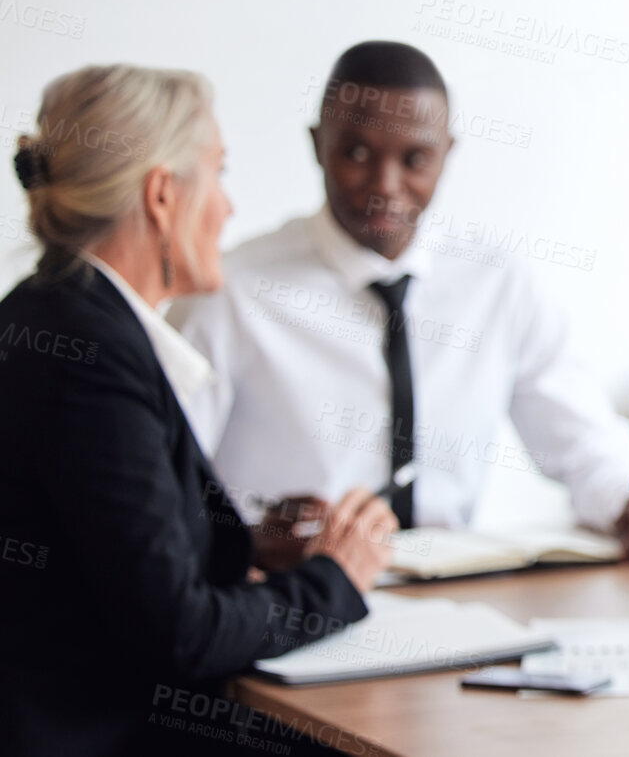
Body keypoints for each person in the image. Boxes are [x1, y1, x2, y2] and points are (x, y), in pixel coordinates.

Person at [0, 65, 394, 757]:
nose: (228, 208)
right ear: (161, 195)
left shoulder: (60, 315)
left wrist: (242, 545)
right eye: (218, 173)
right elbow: (178, 633)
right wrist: (336, 576)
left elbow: (111, 557)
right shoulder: (84, 350)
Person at [169, 42, 629, 551]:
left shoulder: (498, 285)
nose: (384, 186)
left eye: (415, 159)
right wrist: (244, 543)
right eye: (356, 152)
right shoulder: (229, 290)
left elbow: (584, 444)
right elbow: (160, 485)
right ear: (317, 145)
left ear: (446, 153)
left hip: (449, 594)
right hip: (288, 592)